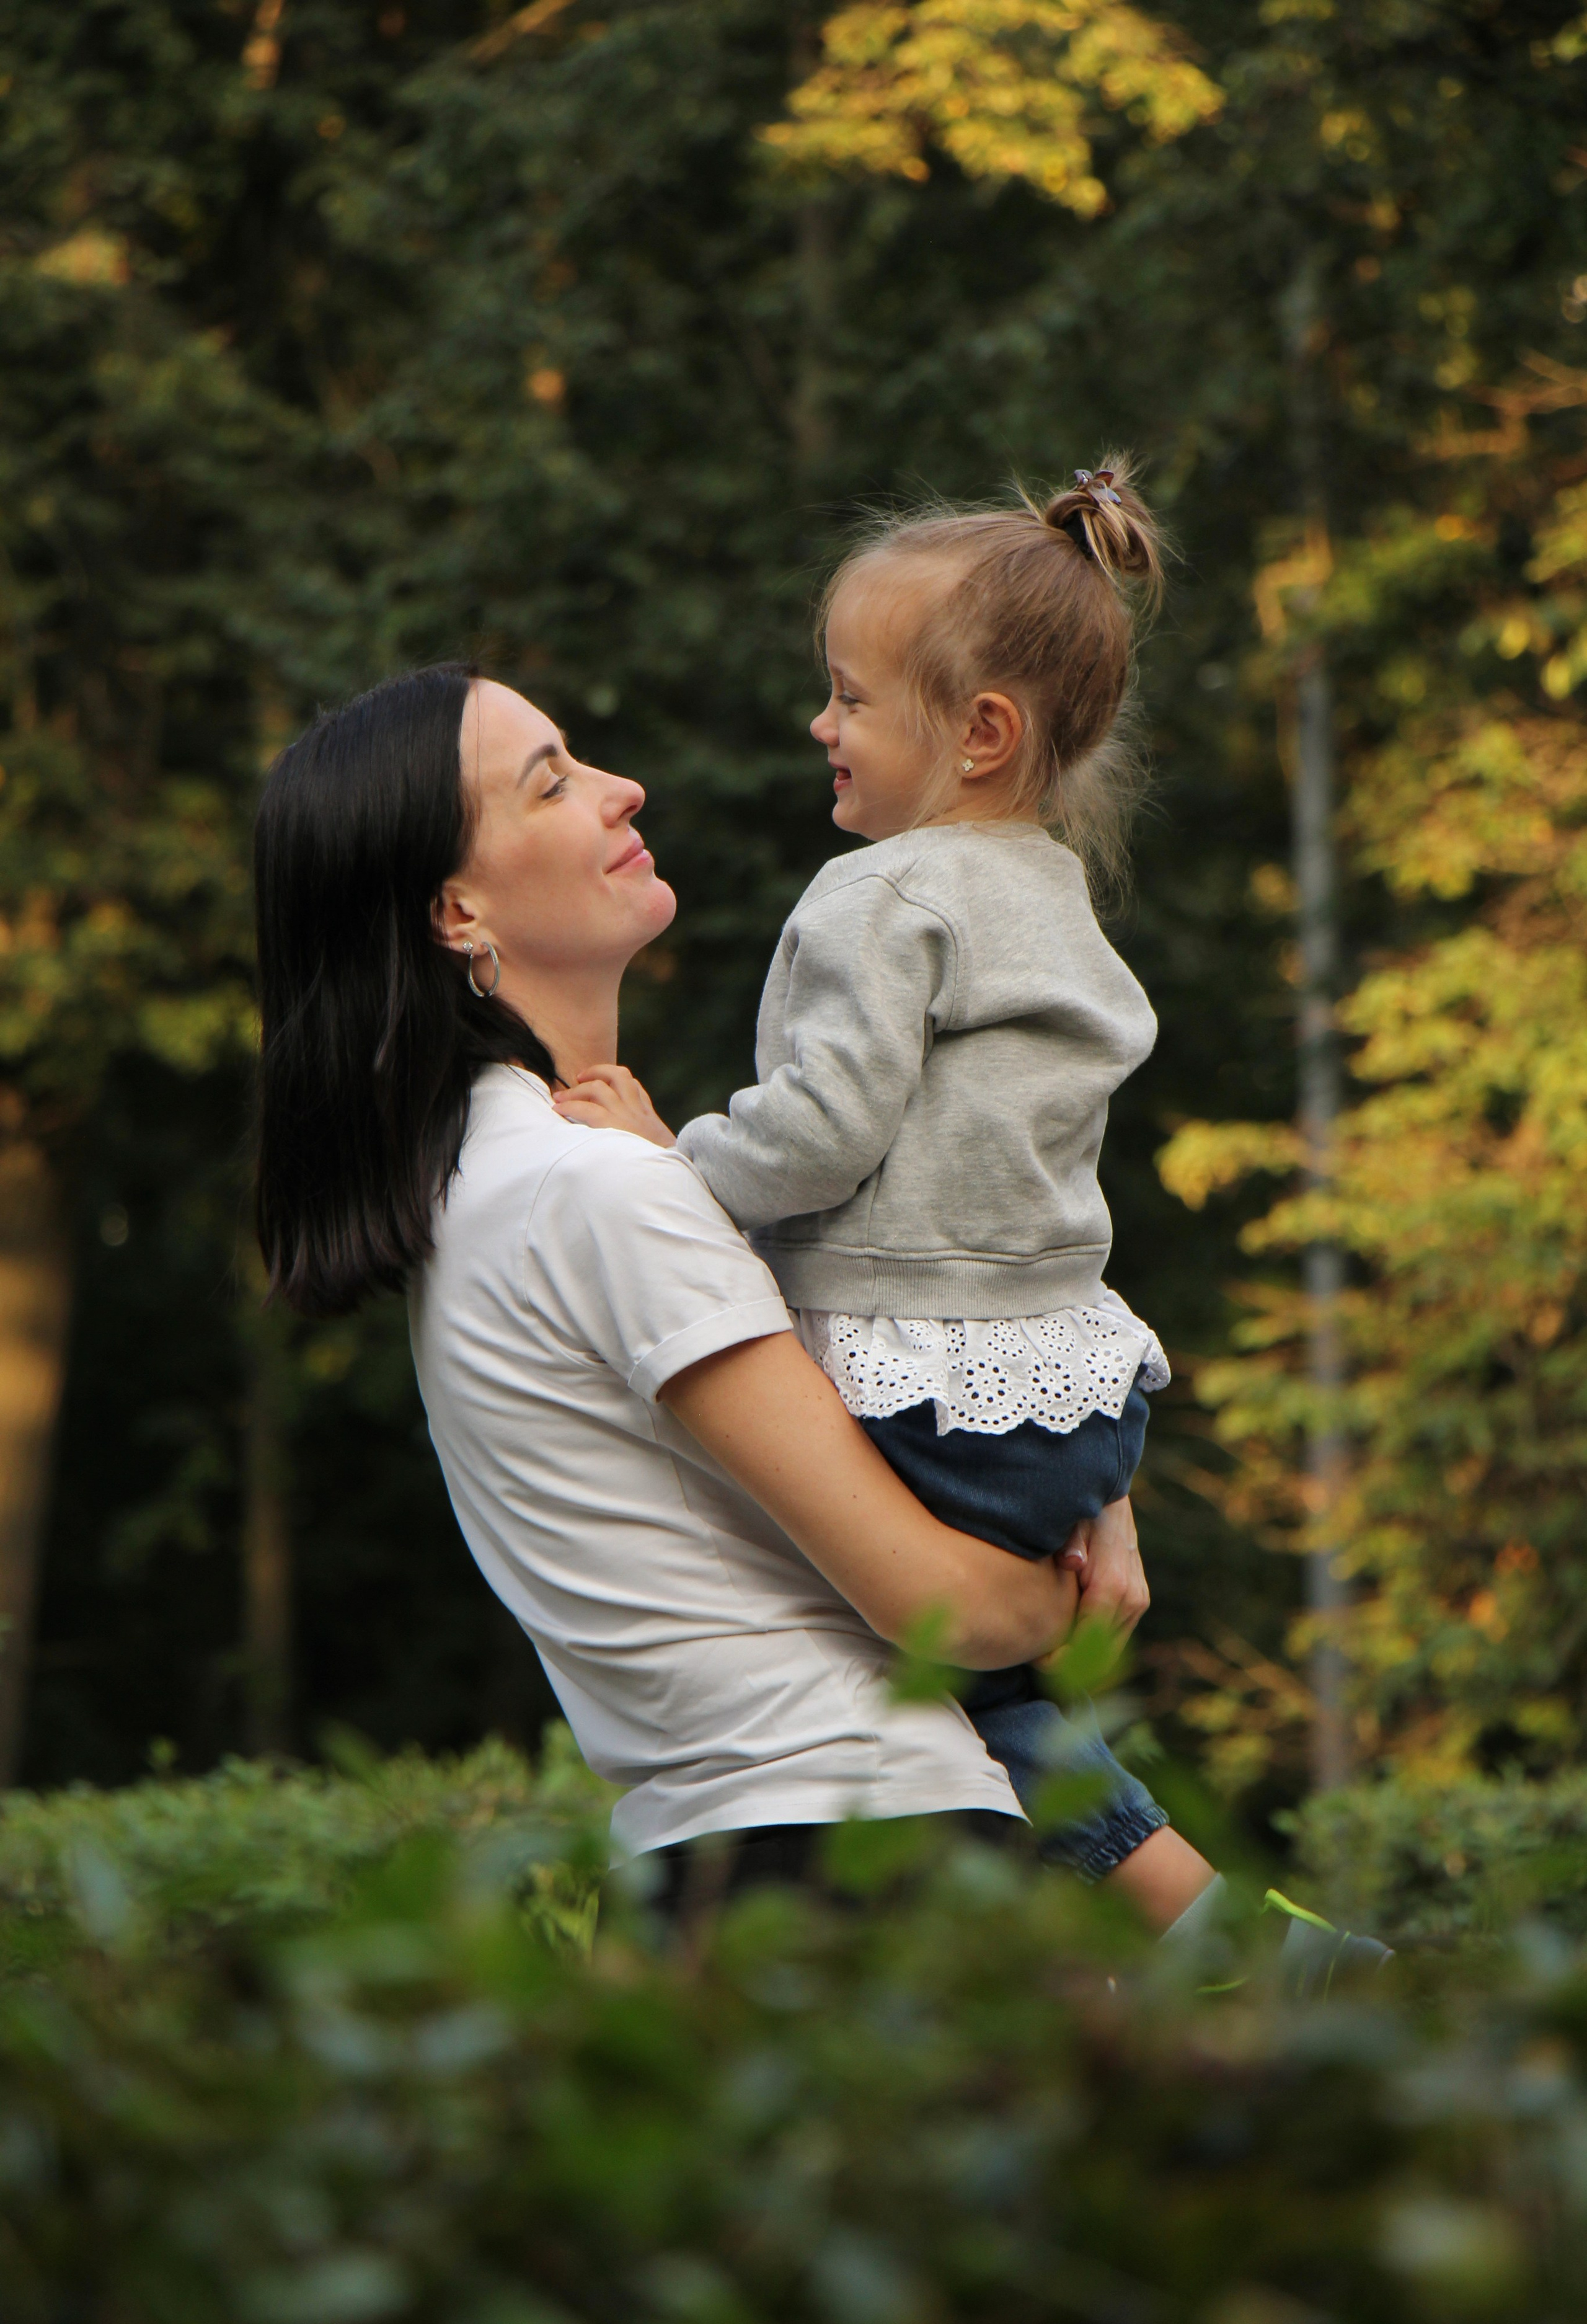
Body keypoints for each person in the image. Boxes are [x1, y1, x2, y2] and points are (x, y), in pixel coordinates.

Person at [551, 466, 1392, 1983]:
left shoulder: (879, 896)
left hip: (932, 1384)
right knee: (1014, 1712)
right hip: (1069, 1397)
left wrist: (668, 1159)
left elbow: (820, 1134)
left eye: (849, 697)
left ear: (980, 732)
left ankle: (1221, 1963)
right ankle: (1243, 1948)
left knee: (950, 1696)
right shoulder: (1047, 889)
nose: (821, 724)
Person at [251, 659, 1219, 1935]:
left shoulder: (495, 1185)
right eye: (551, 783)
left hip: (735, 1866)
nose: (621, 788)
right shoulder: (595, 1189)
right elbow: (946, 1606)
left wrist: (1088, 1497)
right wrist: (1072, 1580)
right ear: (456, 911)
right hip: (853, 1863)